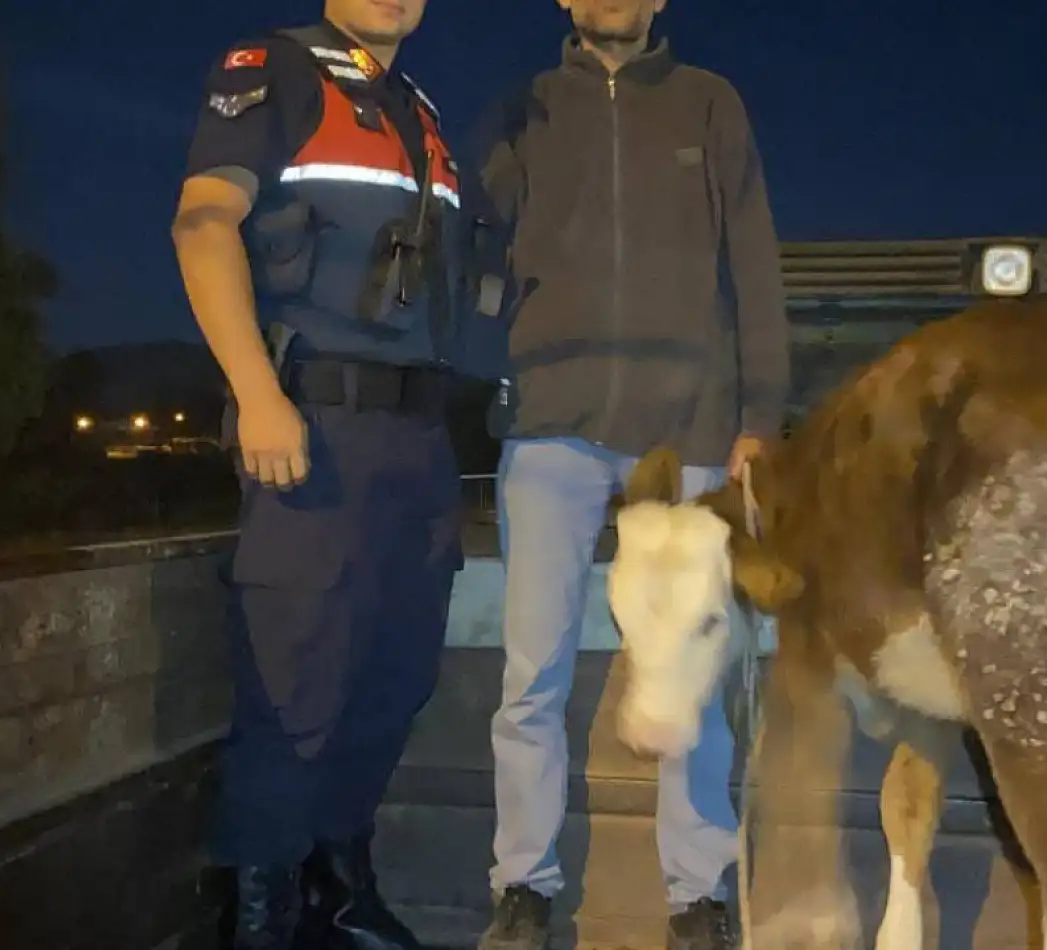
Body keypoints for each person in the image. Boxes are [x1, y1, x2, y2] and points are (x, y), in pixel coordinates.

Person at [171, 1, 499, 947]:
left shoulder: (418, 111)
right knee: (294, 685)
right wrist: (257, 392)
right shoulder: (273, 69)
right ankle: (261, 913)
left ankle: (338, 887)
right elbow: (203, 225)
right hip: (318, 428)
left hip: (418, 442)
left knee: (395, 677)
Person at [463, 2, 790, 949]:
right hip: (553, 427)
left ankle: (699, 891)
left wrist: (758, 417)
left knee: (696, 666)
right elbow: (475, 243)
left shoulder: (709, 104)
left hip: (687, 427)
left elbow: (755, 262)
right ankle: (523, 885)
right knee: (532, 674)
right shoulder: (522, 109)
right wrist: (501, 366)